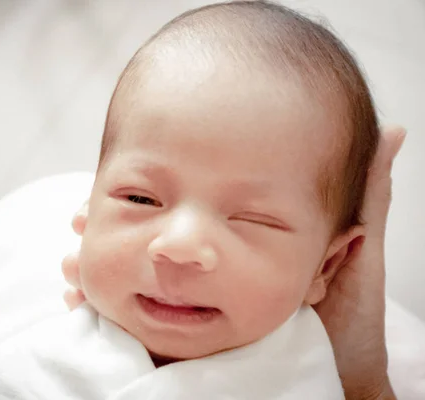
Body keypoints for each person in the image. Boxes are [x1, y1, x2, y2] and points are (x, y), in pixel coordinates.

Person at [59, 1, 407, 398]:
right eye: (140, 199)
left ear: (325, 266)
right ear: (88, 213)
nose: (178, 245)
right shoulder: (41, 356)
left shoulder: (313, 384)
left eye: (252, 219)